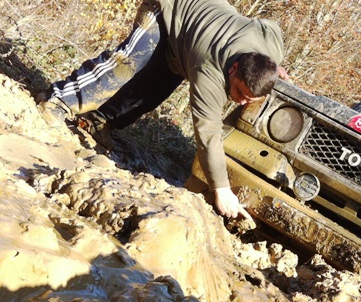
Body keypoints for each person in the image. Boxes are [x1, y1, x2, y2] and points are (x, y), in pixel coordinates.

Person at [40, 0, 286, 222]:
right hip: (166, 10)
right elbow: (208, 133)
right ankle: (58, 99)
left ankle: (97, 120)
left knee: (150, 93)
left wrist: (276, 68)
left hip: (186, 39)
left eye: (250, 99)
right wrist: (221, 189)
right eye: (240, 93)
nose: (242, 102)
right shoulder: (208, 68)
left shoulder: (272, 48)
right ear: (233, 69)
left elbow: (271, 26)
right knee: (127, 64)